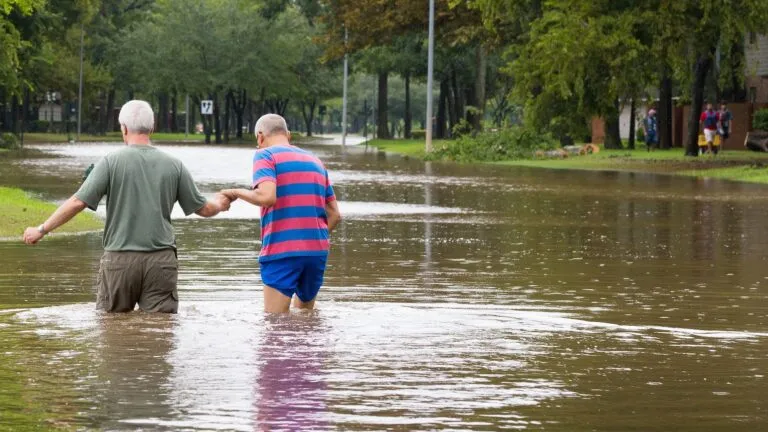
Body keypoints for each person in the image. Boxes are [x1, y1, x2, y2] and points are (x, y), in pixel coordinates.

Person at [22, 100, 232, 313]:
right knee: (159, 335)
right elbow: (204, 209)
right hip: (161, 262)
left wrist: (41, 230)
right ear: (152, 128)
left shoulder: (110, 162)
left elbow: (78, 202)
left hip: (119, 260)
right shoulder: (174, 165)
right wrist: (220, 203)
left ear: (123, 128)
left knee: (112, 332)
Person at [222, 114, 341, 314]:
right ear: (288, 135)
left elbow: (267, 196)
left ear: (260, 137)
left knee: (274, 324)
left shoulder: (265, 155)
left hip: (282, 251)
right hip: (316, 252)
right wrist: (311, 238)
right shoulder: (315, 161)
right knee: (306, 319)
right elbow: (335, 214)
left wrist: (235, 193)